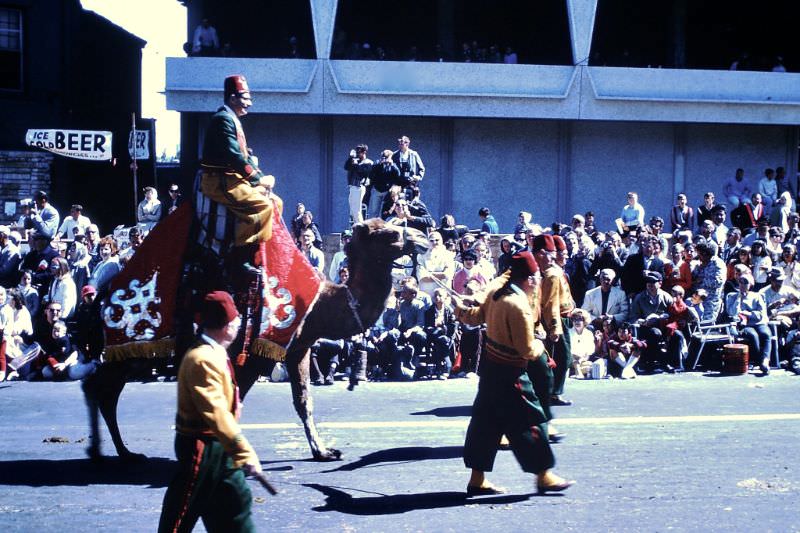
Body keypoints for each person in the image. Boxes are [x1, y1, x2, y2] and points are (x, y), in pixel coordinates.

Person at [453, 251, 573, 496]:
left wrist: (459, 309)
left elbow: (474, 318)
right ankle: (544, 475)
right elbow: (527, 350)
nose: (539, 280)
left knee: (484, 424)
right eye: (537, 277)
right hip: (511, 374)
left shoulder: (497, 295)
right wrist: (541, 344)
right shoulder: (519, 305)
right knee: (531, 423)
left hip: (490, 369)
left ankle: (477, 479)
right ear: (529, 279)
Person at [158, 291, 262, 532]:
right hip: (202, 450)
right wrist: (245, 453)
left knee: (237, 506)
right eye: (235, 320)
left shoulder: (215, 352)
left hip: (221, 448)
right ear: (226, 327)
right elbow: (216, 414)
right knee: (179, 518)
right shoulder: (201, 359)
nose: (238, 324)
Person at [199, 75, 280, 249]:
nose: (249, 103)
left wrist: (262, 178)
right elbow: (234, 156)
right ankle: (242, 258)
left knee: (276, 201)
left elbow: (245, 156)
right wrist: (258, 179)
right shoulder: (223, 119)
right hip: (219, 180)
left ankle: (266, 253)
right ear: (233, 98)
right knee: (263, 207)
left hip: (233, 179)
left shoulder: (232, 119)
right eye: (245, 98)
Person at [724, 273, 771, 375]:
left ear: (750, 284)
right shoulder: (732, 296)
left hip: (758, 322)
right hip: (744, 324)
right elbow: (731, 313)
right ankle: (760, 361)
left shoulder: (757, 296)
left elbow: (760, 314)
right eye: (740, 282)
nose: (742, 284)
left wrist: (748, 314)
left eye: (745, 282)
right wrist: (738, 299)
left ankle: (765, 360)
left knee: (766, 334)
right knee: (753, 335)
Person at [344, 144, 373, 225]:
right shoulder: (355, 161)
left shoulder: (368, 162)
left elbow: (363, 173)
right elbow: (346, 167)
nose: (357, 154)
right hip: (352, 187)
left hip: (359, 187)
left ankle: (361, 227)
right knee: (352, 210)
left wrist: (356, 164)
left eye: (359, 152)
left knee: (357, 210)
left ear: (364, 152)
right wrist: (350, 158)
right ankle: (355, 227)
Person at [367, 149, 400, 219]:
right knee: (374, 211)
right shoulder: (377, 164)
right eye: (384, 157)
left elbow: (398, 175)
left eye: (387, 157)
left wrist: (392, 165)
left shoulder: (393, 166)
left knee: (386, 210)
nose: (386, 159)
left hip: (387, 191)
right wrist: (380, 164)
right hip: (377, 189)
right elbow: (370, 175)